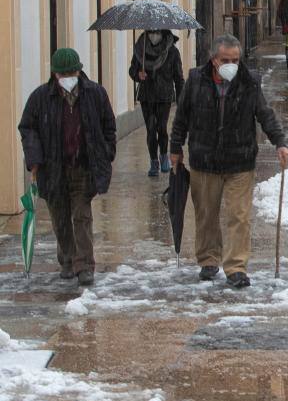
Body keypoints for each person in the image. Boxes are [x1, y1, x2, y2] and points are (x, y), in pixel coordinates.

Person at [169, 34, 288, 289]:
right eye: (226, 59)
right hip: (205, 160)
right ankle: (209, 259)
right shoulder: (195, 81)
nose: (231, 64)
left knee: (239, 216)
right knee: (206, 215)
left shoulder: (249, 82)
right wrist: (175, 148)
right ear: (214, 60)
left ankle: (236, 267)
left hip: (240, 160)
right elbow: (182, 116)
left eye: (235, 59)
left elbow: (264, 114)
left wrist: (280, 142)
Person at [18, 48, 116, 286]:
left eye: (73, 72)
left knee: (82, 216)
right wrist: (34, 159)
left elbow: (108, 126)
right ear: (55, 75)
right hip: (54, 168)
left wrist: (106, 153)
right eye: (63, 74)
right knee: (60, 218)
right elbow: (27, 128)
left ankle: (85, 265)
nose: (69, 77)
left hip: (83, 166)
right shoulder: (41, 97)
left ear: (79, 70)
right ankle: (68, 260)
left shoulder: (95, 93)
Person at [128, 30, 184, 176]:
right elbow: (132, 69)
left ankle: (164, 155)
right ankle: (154, 161)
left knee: (161, 127)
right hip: (146, 95)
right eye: (151, 31)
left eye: (157, 32)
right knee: (151, 129)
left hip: (164, 96)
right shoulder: (141, 48)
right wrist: (138, 75)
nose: (154, 35)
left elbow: (178, 77)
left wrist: (181, 100)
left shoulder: (172, 52)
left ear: (163, 33)